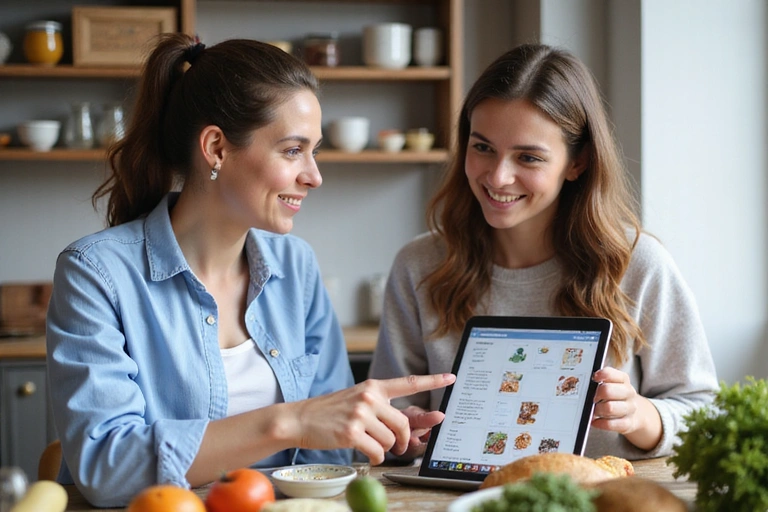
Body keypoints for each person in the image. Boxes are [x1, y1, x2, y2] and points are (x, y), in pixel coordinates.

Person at [45, 33, 455, 507]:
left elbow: (333, 449)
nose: (314, 175)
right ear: (216, 148)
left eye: (314, 151)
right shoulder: (95, 274)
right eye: (292, 150)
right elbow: (105, 467)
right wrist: (289, 421)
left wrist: (386, 437)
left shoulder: (295, 266)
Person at [368, 43, 718, 461]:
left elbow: (705, 416)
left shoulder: (638, 264)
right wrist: (399, 432)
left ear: (578, 162)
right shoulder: (419, 265)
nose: (498, 176)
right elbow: (382, 418)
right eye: (482, 147)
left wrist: (644, 417)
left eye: (528, 157)